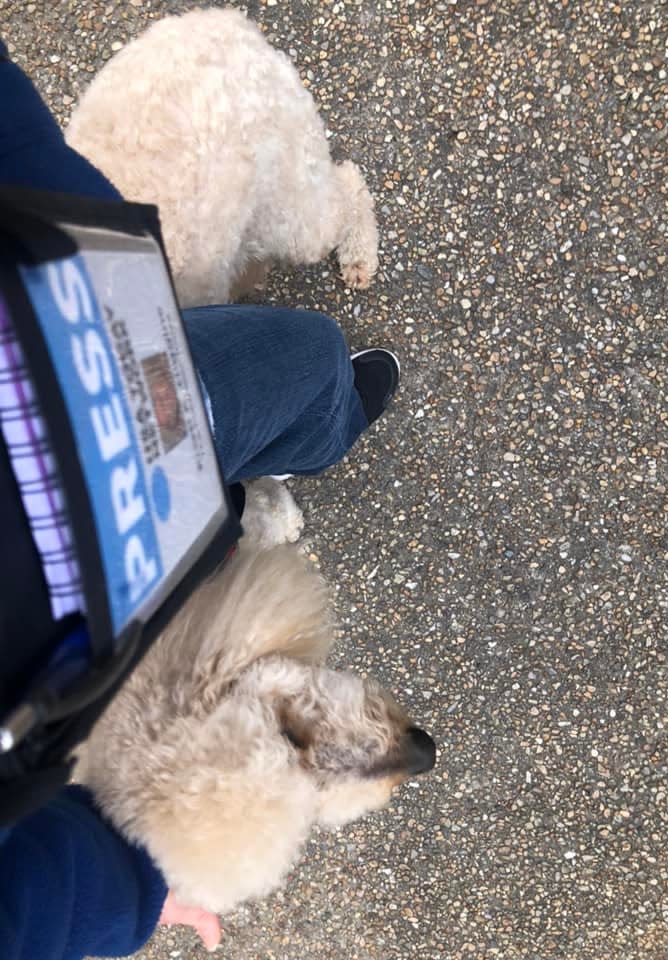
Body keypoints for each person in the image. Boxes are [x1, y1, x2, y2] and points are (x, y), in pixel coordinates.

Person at [0, 38, 399, 960]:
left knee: (297, 369)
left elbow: (28, 913)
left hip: (95, 379)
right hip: (73, 343)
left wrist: (133, 877)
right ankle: (316, 412)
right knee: (268, 375)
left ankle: (328, 403)